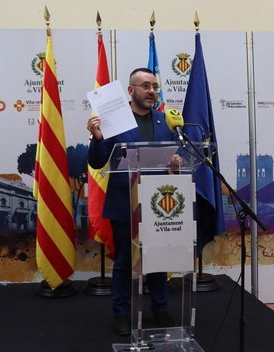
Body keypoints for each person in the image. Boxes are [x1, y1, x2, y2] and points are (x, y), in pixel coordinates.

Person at [87, 67, 182, 336]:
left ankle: (160, 309)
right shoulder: (114, 120)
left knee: (157, 259)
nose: (152, 91)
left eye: (154, 86)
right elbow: (97, 161)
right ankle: (121, 313)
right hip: (124, 202)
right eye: (146, 86)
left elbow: (175, 158)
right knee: (124, 261)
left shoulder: (166, 121)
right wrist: (97, 138)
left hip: (158, 202)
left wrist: (176, 162)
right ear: (131, 90)